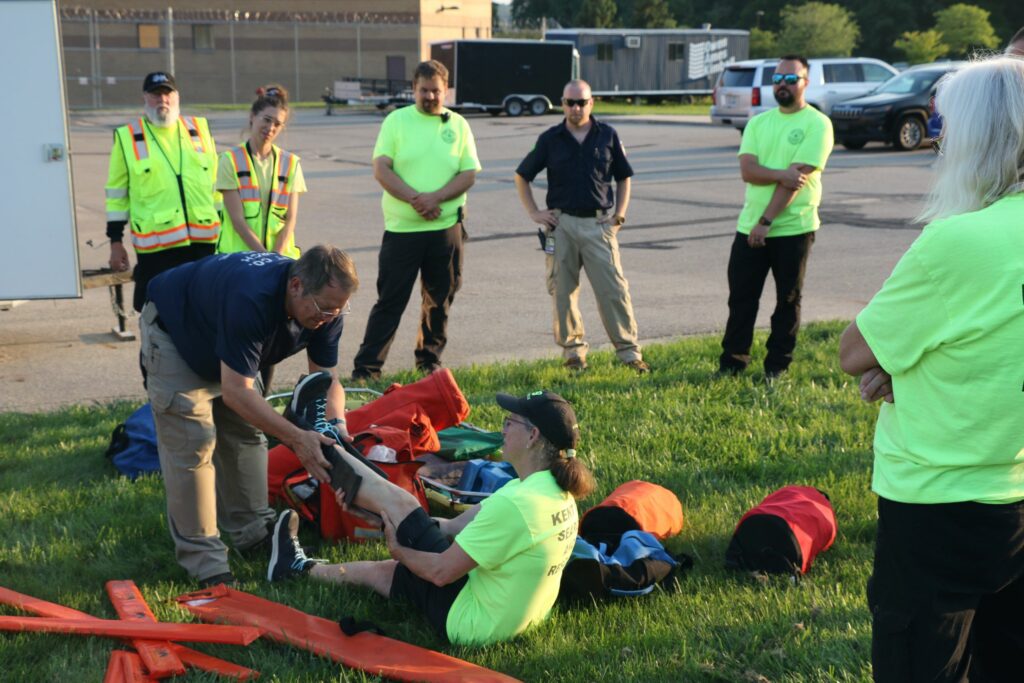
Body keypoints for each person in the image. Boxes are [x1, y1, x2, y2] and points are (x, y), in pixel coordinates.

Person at [838, 56, 1024, 682]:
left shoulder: (958, 242)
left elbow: (854, 352)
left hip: (935, 503)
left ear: (980, 140)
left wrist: (900, 363)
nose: (940, 142)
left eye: (950, 129)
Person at [269, 386, 594, 647]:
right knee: (390, 570)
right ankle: (298, 569)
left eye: (511, 421)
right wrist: (383, 522)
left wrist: (402, 549)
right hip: (506, 617)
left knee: (402, 505)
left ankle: (321, 438)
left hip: (470, 624)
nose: (504, 428)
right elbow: (451, 527)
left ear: (533, 436)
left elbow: (441, 573)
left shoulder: (518, 505)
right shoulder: (552, 491)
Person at [139, 245, 358, 587]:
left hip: (223, 333)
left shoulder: (328, 308)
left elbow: (325, 381)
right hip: (177, 333)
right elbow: (236, 392)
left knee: (245, 434)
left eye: (338, 310)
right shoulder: (251, 297)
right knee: (192, 445)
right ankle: (207, 563)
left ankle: (255, 533)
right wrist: (297, 438)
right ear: (296, 286)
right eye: (323, 309)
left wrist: (336, 424)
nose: (328, 317)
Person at [351, 60, 481, 381]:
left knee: (439, 300)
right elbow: (381, 169)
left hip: (446, 229)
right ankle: (367, 368)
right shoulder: (397, 121)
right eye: (424, 90)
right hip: (403, 231)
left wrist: (436, 198)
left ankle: (429, 361)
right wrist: (416, 199)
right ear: (413, 89)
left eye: (436, 90)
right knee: (390, 301)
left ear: (446, 90)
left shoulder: (459, 125)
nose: (430, 97)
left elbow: (468, 174)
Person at [514, 80, 649, 374]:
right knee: (562, 291)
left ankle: (629, 353)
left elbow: (624, 177)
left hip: (598, 224)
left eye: (582, 102)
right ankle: (574, 353)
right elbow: (522, 175)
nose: (576, 108)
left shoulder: (608, 136)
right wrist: (534, 212)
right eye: (570, 102)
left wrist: (619, 216)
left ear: (592, 103)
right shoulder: (550, 139)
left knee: (614, 289)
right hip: (561, 225)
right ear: (562, 104)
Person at [718, 55, 834, 380]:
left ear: (806, 83)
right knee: (741, 299)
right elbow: (748, 171)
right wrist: (779, 174)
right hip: (748, 226)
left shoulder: (817, 124)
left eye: (791, 79)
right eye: (777, 79)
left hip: (793, 228)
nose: (782, 84)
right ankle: (733, 363)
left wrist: (766, 222)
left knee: (788, 300)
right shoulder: (758, 122)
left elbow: (796, 182)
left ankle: (777, 366)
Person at [105, 72, 220, 312]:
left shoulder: (199, 130)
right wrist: (116, 241)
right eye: (156, 94)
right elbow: (116, 195)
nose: (162, 100)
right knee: (159, 315)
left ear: (177, 96)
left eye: (167, 93)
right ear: (145, 97)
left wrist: (226, 232)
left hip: (204, 244)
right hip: (157, 250)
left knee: (205, 309)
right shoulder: (127, 138)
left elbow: (216, 186)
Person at [216, 85, 306, 258]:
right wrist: (264, 256)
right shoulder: (229, 160)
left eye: (277, 124)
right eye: (266, 119)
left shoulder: (291, 163)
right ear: (252, 117)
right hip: (239, 258)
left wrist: (275, 257)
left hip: (280, 258)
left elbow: (290, 220)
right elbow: (237, 221)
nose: (271, 127)